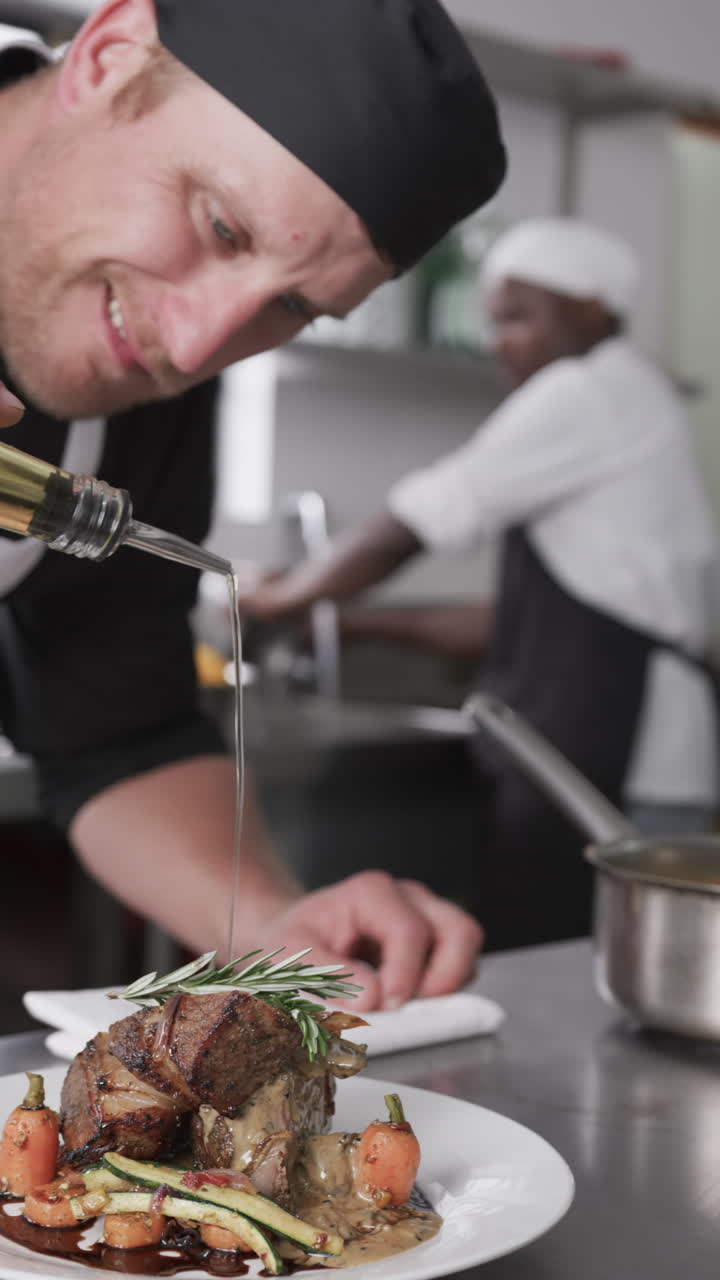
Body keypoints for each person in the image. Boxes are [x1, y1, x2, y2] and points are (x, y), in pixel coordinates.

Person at [0, 0, 507, 1007]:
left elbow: (114, 731)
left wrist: (276, 925)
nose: (196, 344)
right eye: (218, 222)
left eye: (291, 308)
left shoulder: (148, 377)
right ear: (107, 57)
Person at [239, 217, 720, 950]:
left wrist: (283, 595)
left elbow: (414, 519)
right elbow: (527, 625)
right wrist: (357, 625)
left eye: (520, 318)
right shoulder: (630, 398)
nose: (499, 341)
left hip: (624, 761)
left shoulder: (588, 392)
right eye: (492, 321)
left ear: (593, 309)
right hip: (617, 750)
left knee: (577, 973)